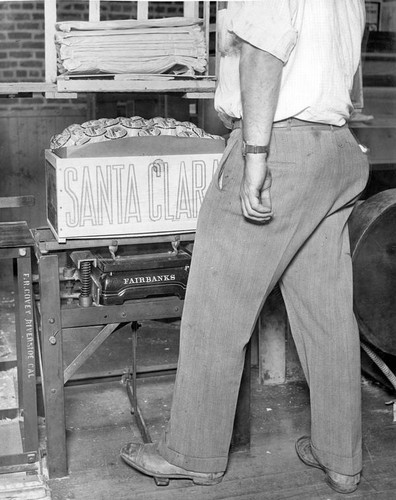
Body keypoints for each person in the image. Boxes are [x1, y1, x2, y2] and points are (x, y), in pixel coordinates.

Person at [120, 0, 369, 494]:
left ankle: (193, 452)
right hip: (336, 147)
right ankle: (342, 457)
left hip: (279, 146)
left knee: (217, 307)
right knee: (328, 314)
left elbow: (262, 54)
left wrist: (255, 156)